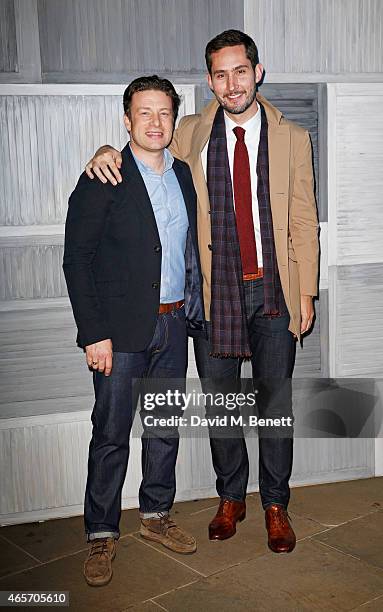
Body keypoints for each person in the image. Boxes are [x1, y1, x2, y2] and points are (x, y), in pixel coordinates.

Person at [85, 30, 319, 554]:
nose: (231, 83)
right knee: (222, 404)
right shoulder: (190, 129)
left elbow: (304, 219)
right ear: (209, 79)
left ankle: (276, 503)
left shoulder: (292, 137)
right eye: (220, 73)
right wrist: (104, 149)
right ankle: (230, 497)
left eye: (240, 71)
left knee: (273, 403)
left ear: (258, 72)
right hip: (214, 296)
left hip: (276, 292)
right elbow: (146, 150)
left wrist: (307, 294)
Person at [63, 75, 205, 587]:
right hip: (119, 334)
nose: (155, 122)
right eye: (144, 112)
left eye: (164, 113)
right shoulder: (105, 175)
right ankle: (101, 533)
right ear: (127, 120)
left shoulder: (184, 175)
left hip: (173, 323)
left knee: (164, 427)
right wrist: (92, 333)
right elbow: (76, 260)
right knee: (111, 434)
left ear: (173, 119)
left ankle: (155, 516)